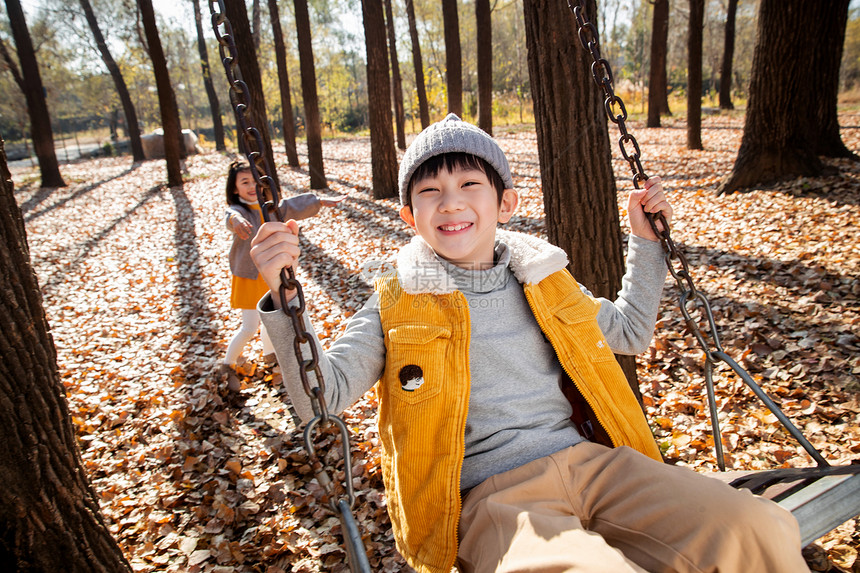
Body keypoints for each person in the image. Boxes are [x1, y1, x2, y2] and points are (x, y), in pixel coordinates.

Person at [249, 115, 806, 573]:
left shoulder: (544, 279)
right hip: (497, 499)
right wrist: (282, 297)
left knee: (757, 529)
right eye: (429, 191)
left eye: (469, 185)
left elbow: (631, 331)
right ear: (408, 216)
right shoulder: (397, 305)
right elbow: (321, 400)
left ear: (505, 203)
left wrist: (645, 242)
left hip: (599, 467)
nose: (450, 203)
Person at [221, 160, 342, 391]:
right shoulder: (240, 211)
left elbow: (293, 205)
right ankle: (226, 364)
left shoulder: (270, 208)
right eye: (244, 182)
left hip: (269, 275)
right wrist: (236, 222)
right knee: (249, 326)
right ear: (235, 188)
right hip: (248, 277)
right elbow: (230, 215)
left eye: (254, 181)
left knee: (270, 320)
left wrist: (319, 201)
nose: (250, 186)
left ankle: (271, 358)